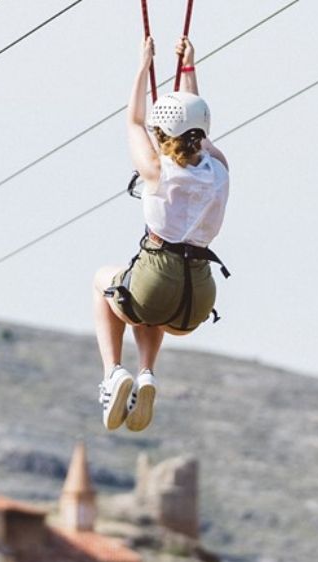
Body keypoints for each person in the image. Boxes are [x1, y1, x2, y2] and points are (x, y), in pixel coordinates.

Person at [92, 34, 230, 432]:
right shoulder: (220, 167)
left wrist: (143, 66)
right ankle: (147, 373)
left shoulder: (156, 170)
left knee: (105, 282)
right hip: (196, 299)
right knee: (147, 305)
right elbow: (198, 129)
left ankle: (113, 373)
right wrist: (188, 67)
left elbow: (134, 120)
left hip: (157, 281)